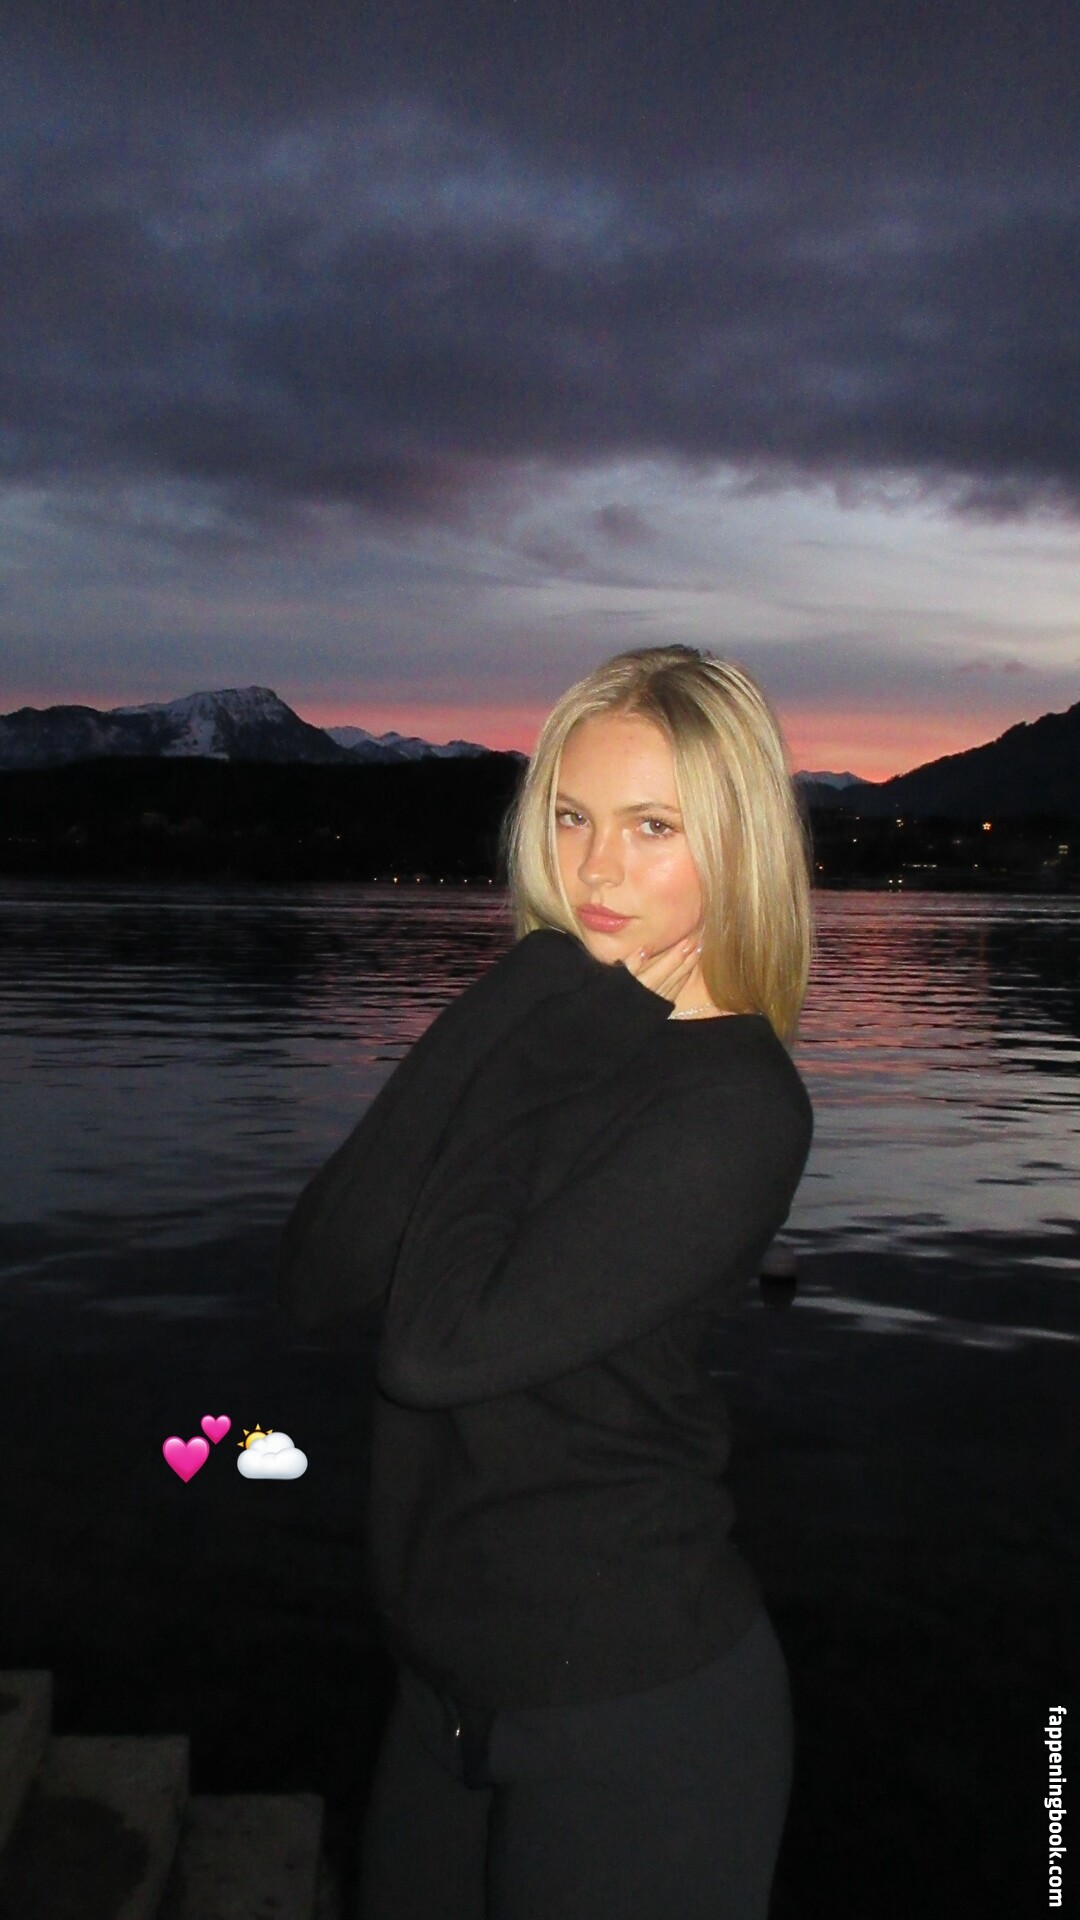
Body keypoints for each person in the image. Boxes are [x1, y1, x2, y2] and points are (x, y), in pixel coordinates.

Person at [275, 644, 815, 1920]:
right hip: (445, 1694)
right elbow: (318, 1276)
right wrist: (511, 1003)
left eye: (652, 826)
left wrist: (522, 1023)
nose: (596, 869)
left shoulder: (738, 1104)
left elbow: (433, 1353)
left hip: (635, 1715)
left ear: (736, 843)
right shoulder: (565, 1025)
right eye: (573, 818)